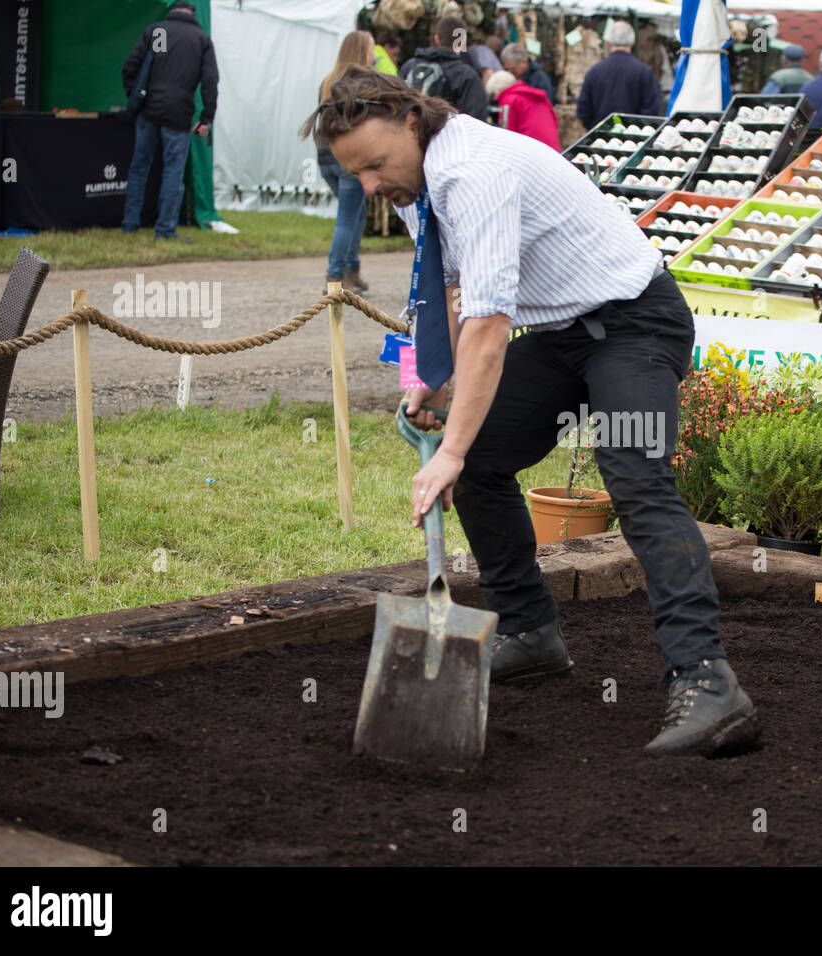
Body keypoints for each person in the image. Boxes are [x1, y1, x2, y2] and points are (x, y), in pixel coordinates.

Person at [300, 66, 761, 758]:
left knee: (635, 483)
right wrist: (437, 380)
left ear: (410, 122)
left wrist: (448, 448)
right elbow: (456, 292)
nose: (368, 186)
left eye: (373, 165)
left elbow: (489, 324)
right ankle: (530, 634)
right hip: (566, 333)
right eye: (355, 175)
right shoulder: (417, 179)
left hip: (635, 321)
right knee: (483, 458)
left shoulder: (474, 172)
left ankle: (708, 682)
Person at [120, 1, 218, 242]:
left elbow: (129, 67)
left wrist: (136, 97)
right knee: (172, 172)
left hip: (149, 110)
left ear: (171, 11)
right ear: (192, 14)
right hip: (179, 114)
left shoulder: (158, 32)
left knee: (139, 168)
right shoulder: (200, 38)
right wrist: (206, 118)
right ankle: (164, 230)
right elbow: (210, 83)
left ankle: (129, 225)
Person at [317, 31, 375, 294]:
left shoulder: (328, 81)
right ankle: (336, 273)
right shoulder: (362, 83)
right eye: (372, 47)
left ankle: (352, 268)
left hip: (326, 156)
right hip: (350, 159)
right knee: (347, 218)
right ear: (363, 51)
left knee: (355, 213)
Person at [576, 21, 662, 130]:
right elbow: (652, 113)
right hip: (634, 140)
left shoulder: (594, 72)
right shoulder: (645, 72)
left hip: (599, 138)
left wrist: (596, 130)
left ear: (608, 42)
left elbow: (583, 112)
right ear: (633, 41)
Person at [399, 15, 487, 120]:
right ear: (463, 41)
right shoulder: (466, 75)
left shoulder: (409, 66)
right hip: (446, 134)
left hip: (411, 132)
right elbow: (475, 121)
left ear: (436, 39)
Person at [487, 70, 560, 151]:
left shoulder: (509, 100)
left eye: (494, 93)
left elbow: (507, 134)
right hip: (552, 150)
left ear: (498, 89)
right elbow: (555, 121)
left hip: (529, 152)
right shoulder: (538, 97)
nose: (495, 98)